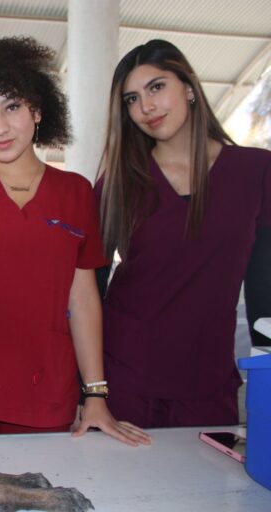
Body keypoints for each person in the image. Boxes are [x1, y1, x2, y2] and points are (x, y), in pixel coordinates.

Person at [0, 36, 150, 446]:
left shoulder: (75, 193)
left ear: (37, 110)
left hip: (46, 394)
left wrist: (95, 392)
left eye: (12, 107)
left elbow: (84, 298)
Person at [96, 39, 271, 428]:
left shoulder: (256, 171)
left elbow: (264, 284)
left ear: (189, 87)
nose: (146, 107)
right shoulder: (118, 182)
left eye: (157, 87)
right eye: (131, 99)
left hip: (209, 380)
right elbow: (91, 285)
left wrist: (267, 371)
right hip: (126, 373)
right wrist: (88, 389)